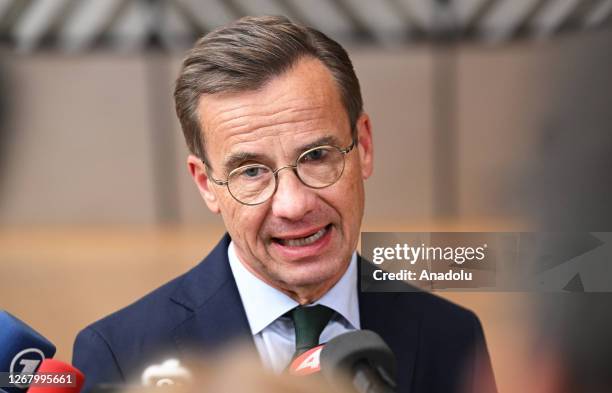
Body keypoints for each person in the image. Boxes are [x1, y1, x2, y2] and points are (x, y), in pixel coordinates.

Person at [73, 16, 496, 393]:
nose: (293, 205)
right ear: (206, 184)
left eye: (316, 157)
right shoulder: (121, 353)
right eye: (251, 172)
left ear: (363, 146)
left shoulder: (451, 336)